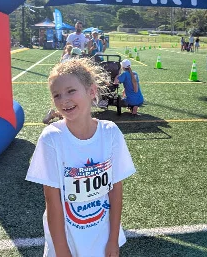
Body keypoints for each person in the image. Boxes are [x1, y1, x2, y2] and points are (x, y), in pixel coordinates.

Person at [26, 58, 136, 257]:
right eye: (56, 95)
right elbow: (52, 201)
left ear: (91, 91)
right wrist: (61, 251)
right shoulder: (52, 138)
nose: (63, 100)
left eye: (71, 91)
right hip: (66, 240)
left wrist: (113, 240)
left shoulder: (110, 133)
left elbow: (115, 191)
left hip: (102, 239)